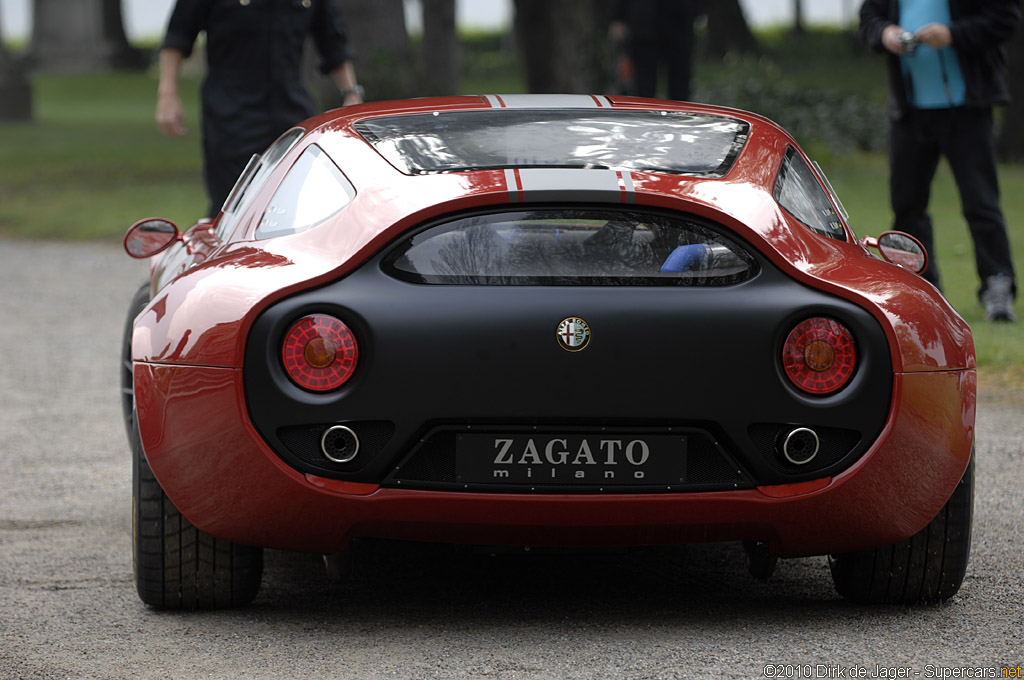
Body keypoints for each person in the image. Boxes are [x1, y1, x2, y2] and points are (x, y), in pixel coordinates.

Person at [859, 0, 1019, 322]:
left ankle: (997, 287)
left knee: (981, 203)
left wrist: (952, 34)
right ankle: (922, 290)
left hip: (968, 110)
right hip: (909, 112)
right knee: (907, 205)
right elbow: (868, 18)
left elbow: (1006, 18)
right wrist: (886, 34)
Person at [156, 0, 364, 218]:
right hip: (231, 114)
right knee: (233, 207)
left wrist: (352, 93)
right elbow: (177, 37)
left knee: (298, 204)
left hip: (292, 111)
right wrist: (167, 95)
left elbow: (333, 42)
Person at [609, 0, 697, 102]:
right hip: (644, 27)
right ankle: (643, 116)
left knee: (679, 89)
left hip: (679, 24)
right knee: (643, 89)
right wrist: (618, 17)